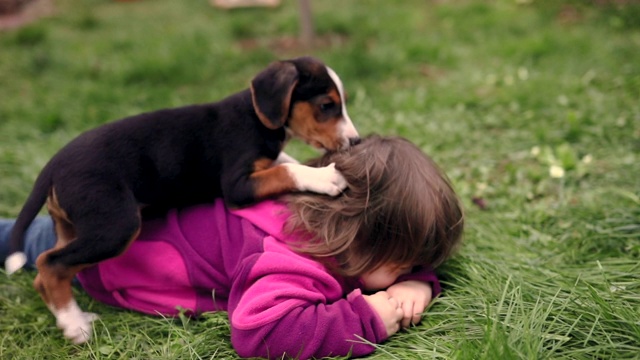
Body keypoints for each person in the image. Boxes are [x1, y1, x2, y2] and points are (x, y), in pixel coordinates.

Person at [0, 135, 464, 359]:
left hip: (137, 218)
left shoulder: (321, 201)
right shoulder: (285, 259)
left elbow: (401, 265)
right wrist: (366, 319)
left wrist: (418, 286)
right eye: (406, 261)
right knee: (29, 239)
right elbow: (261, 333)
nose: (416, 268)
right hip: (109, 257)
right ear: (356, 243)